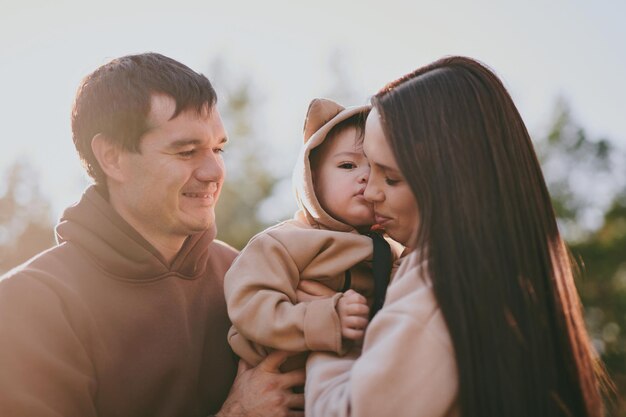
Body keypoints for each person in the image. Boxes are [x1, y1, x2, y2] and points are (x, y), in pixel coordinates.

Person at [0, 52, 304, 417]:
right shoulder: (29, 305)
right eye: (187, 151)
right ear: (112, 157)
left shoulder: (246, 277)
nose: (213, 170)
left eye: (218, 148)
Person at [304, 56, 609, 417]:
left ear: (452, 182)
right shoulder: (510, 278)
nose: (370, 192)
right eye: (367, 167)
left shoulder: (436, 290)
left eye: (391, 177)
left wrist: (326, 328)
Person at [224, 98, 401, 371]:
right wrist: (322, 318)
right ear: (312, 177)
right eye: (347, 166)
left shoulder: (390, 248)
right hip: (278, 373)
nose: (366, 176)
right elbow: (249, 303)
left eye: (379, 168)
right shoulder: (283, 242)